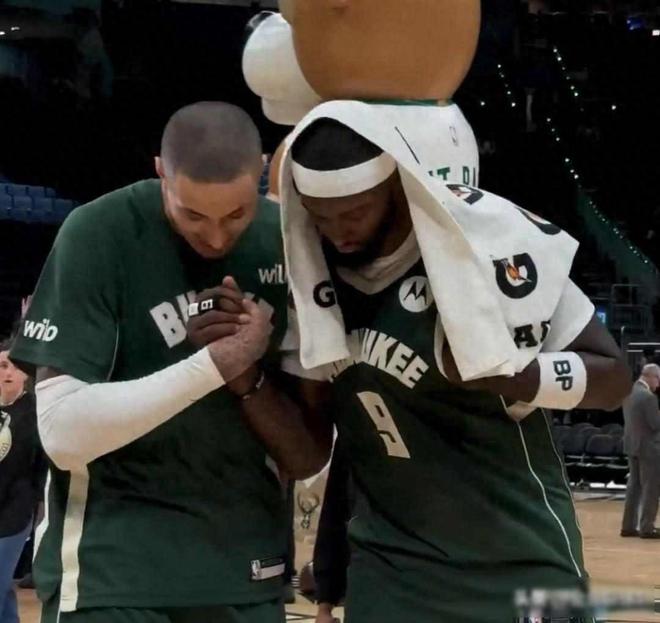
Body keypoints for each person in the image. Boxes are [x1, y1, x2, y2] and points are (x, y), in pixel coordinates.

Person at [281, 119, 631, 623]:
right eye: (321, 218)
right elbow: (338, 444)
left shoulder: (484, 244)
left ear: (395, 185)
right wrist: (330, 575)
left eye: (354, 212)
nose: (338, 233)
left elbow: (613, 377)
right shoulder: (312, 277)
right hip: (391, 568)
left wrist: (509, 375)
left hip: (518, 558)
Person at [9, 102, 331, 623]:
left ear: (262, 171)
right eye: (193, 215)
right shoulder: (98, 231)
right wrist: (211, 366)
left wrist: (245, 375)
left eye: (236, 214)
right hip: (111, 571)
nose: (217, 236)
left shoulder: (292, 242)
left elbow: (307, 456)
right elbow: (62, 434)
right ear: (161, 171)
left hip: (244, 570)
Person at [0, 338, 47, 623]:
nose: (7, 373)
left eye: (14, 367)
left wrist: (37, 506)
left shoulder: (34, 411)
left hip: (14, 515)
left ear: (25, 373)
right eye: (2, 366)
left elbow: (40, 465)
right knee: (3, 590)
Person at [620, 364, 660, 539]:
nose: (658, 384)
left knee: (633, 487)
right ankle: (647, 527)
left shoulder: (628, 393)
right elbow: (655, 424)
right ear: (651, 376)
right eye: (658, 379)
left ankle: (628, 526)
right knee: (650, 488)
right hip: (649, 448)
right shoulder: (648, 397)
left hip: (632, 445)